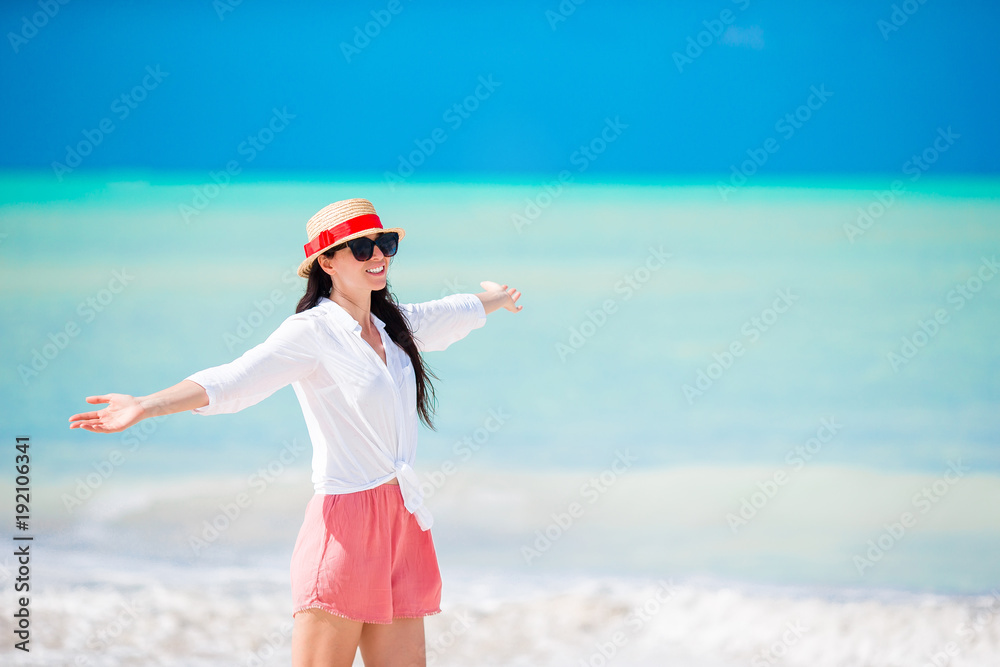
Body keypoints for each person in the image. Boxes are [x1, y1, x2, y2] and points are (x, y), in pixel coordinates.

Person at [68, 198, 522, 667]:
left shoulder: (394, 327)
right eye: (361, 248)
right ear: (327, 262)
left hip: (403, 520)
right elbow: (236, 378)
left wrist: (498, 298)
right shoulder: (311, 333)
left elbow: (456, 310)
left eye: (385, 243)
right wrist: (146, 405)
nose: (378, 255)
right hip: (346, 525)